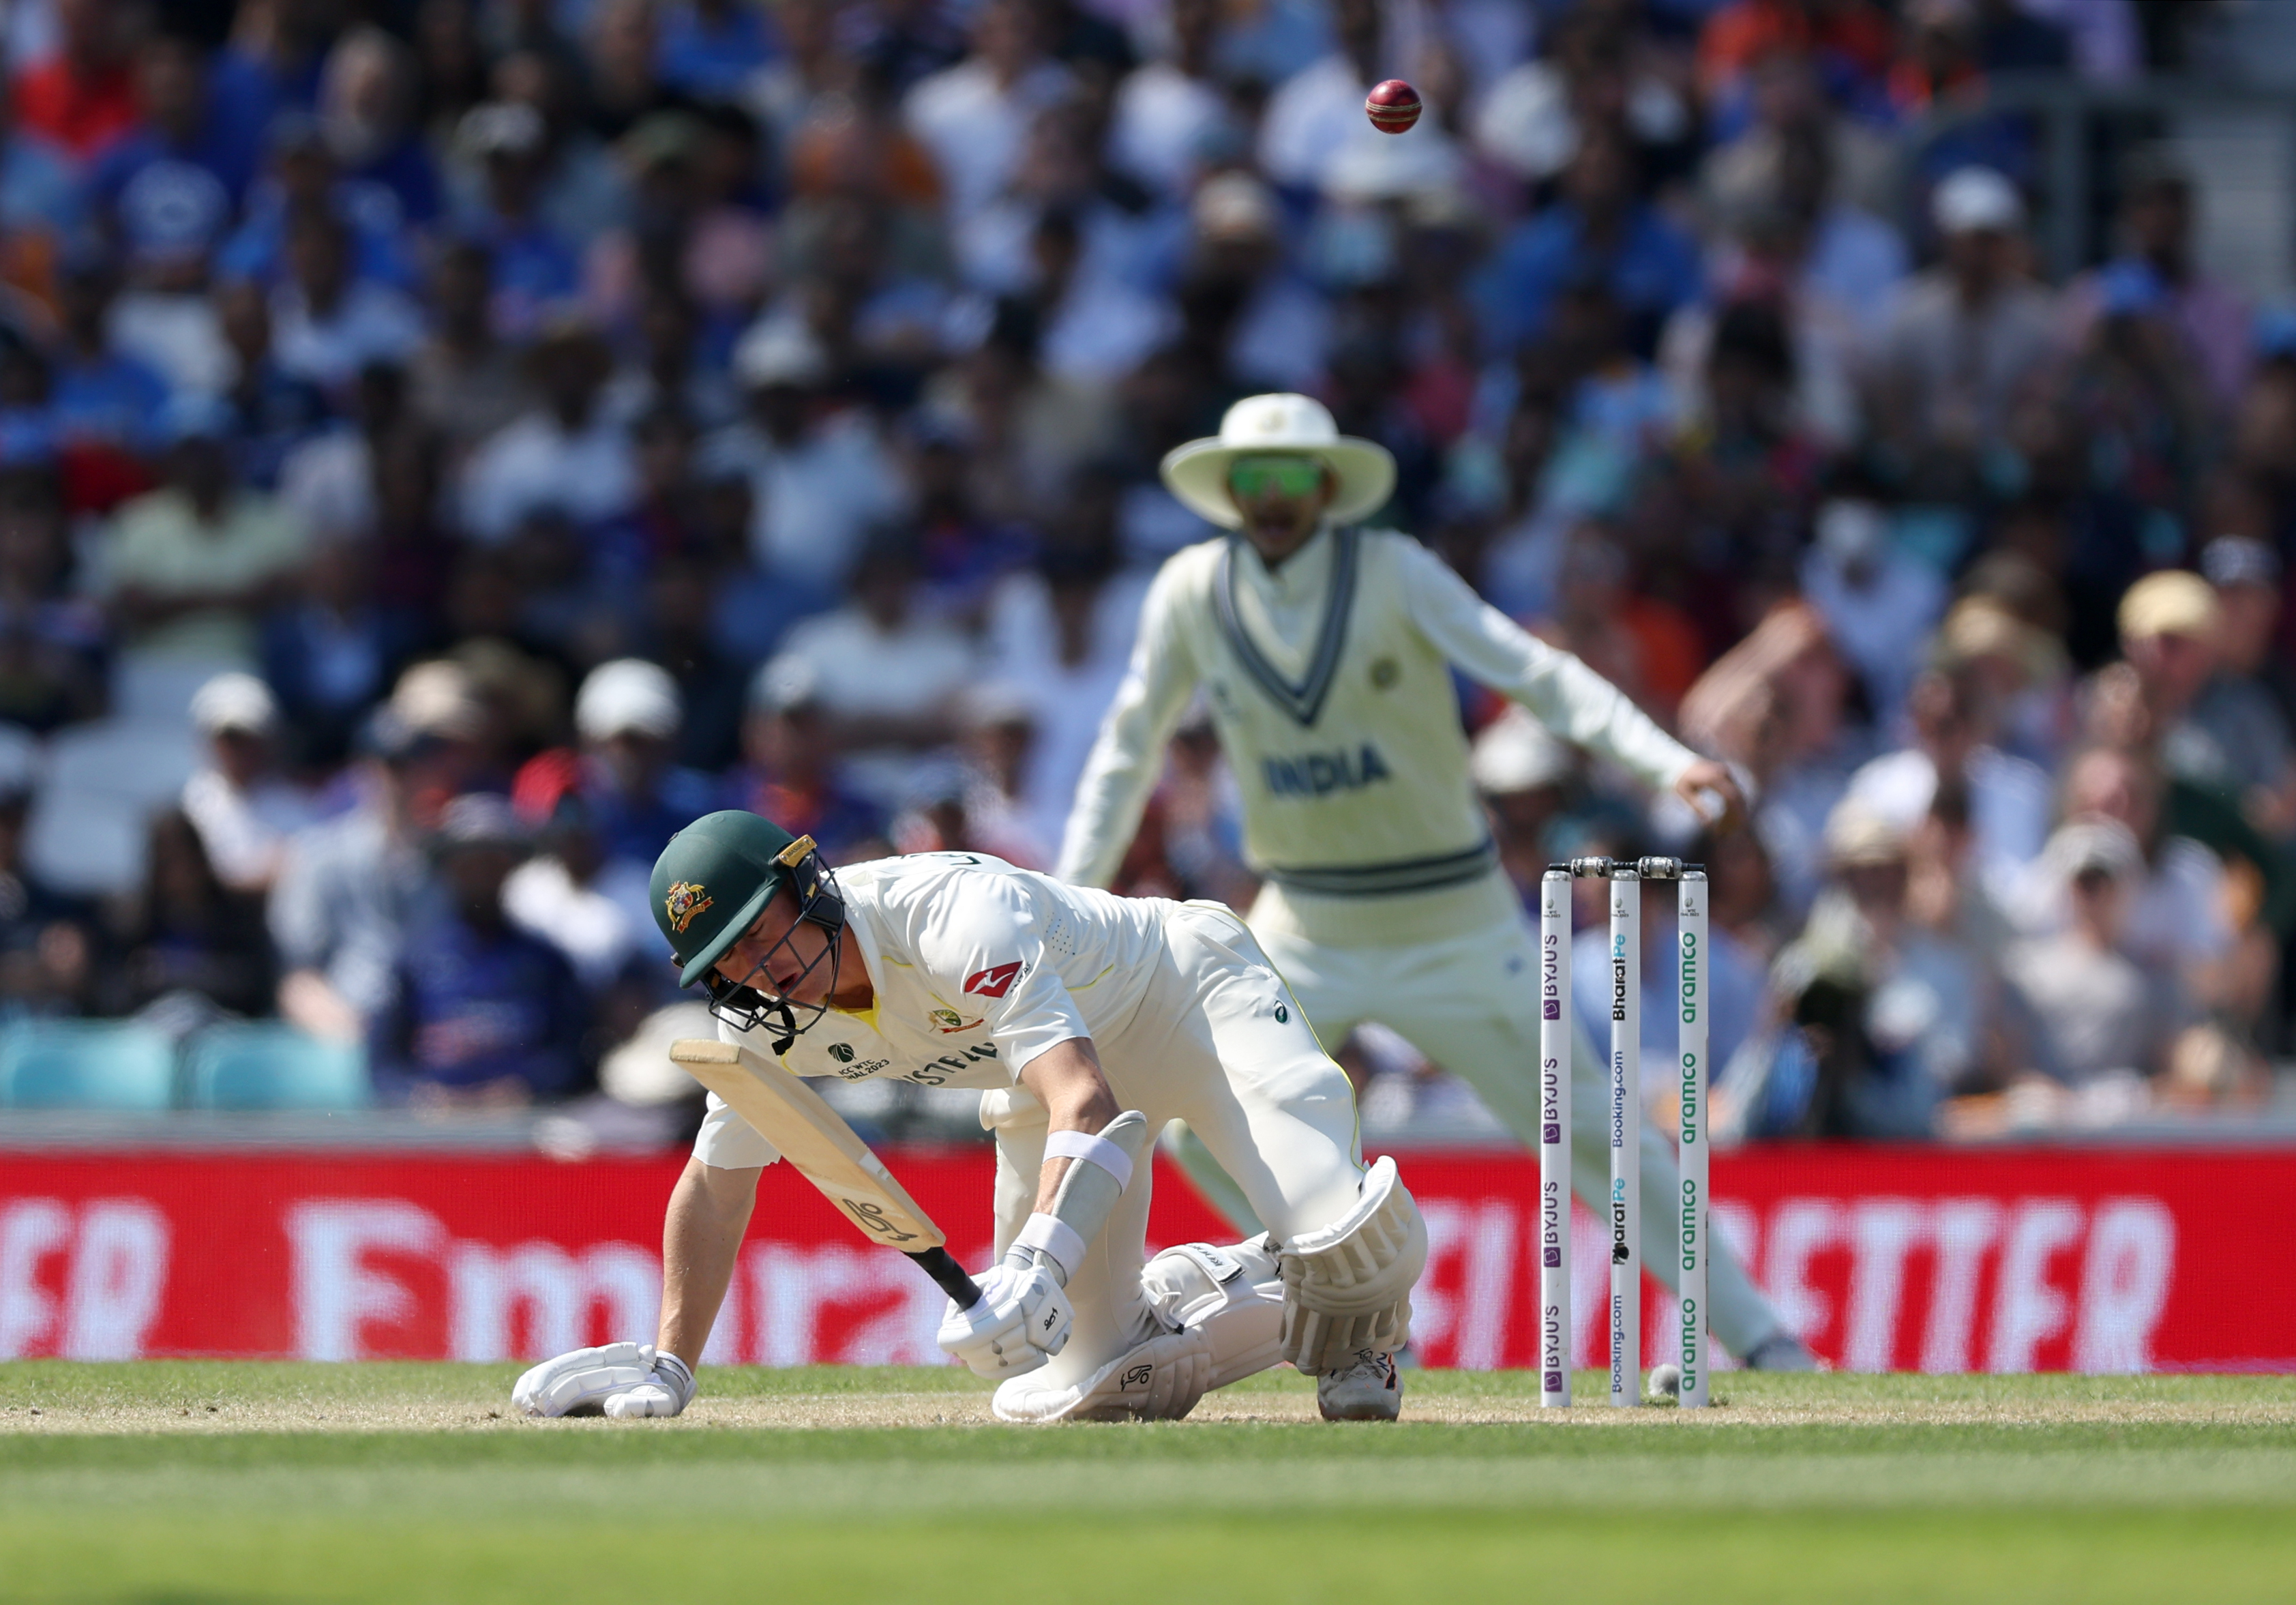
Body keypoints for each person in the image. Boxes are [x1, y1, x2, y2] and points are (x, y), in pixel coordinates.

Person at [1056, 392, 1815, 1370]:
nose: (1273, 498)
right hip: (1304, 921)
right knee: (1193, 1124)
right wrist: (1068, 904)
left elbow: (1534, 671)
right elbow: (1128, 748)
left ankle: (1761, 1334)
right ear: (1228, 489)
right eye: (1253, 479)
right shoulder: (1192, 590)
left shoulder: (1394, 572)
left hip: (1451, 917)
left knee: (1594, 1132)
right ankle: (1357, 1311)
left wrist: (1664, 759)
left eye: (1290, 478)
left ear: (1328, 486)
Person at [513, 810, 1428, 1424]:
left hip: (1188, 1000)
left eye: (764, 929)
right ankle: (1237, 1285)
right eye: (730, 958)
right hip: (1046, 1089)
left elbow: (1088, 1098)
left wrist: (1035, 1259)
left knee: (1349, 1245)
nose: (762, 967)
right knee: (1096, 1385)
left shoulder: (951, 914)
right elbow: (717, 1188)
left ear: (810, 886)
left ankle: (1345, 1303)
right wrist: (673, 1363)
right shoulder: (764, 1023)